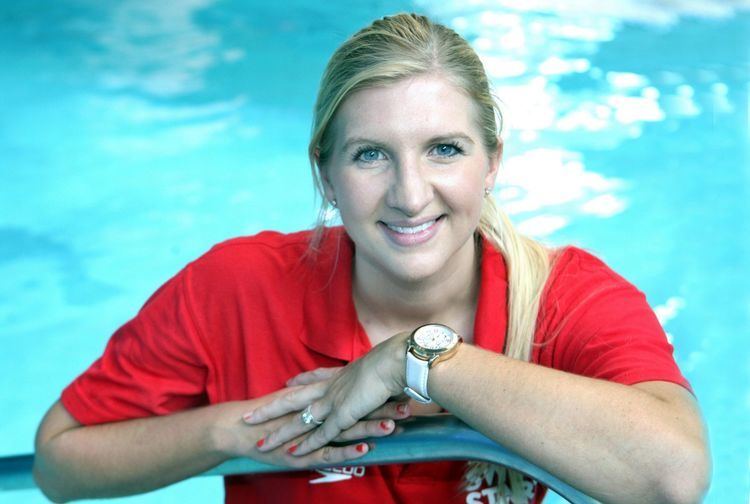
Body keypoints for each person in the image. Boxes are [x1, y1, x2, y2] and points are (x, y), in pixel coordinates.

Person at [33, 13, 710, 504]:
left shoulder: (565, 298)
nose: (411, 196)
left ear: (492, 164)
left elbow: (673, 477)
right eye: (371, 155)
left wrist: (423, 359)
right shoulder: (235, 288)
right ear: (326, 177)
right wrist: (231, 431)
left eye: (445, 148)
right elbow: (61, 465)